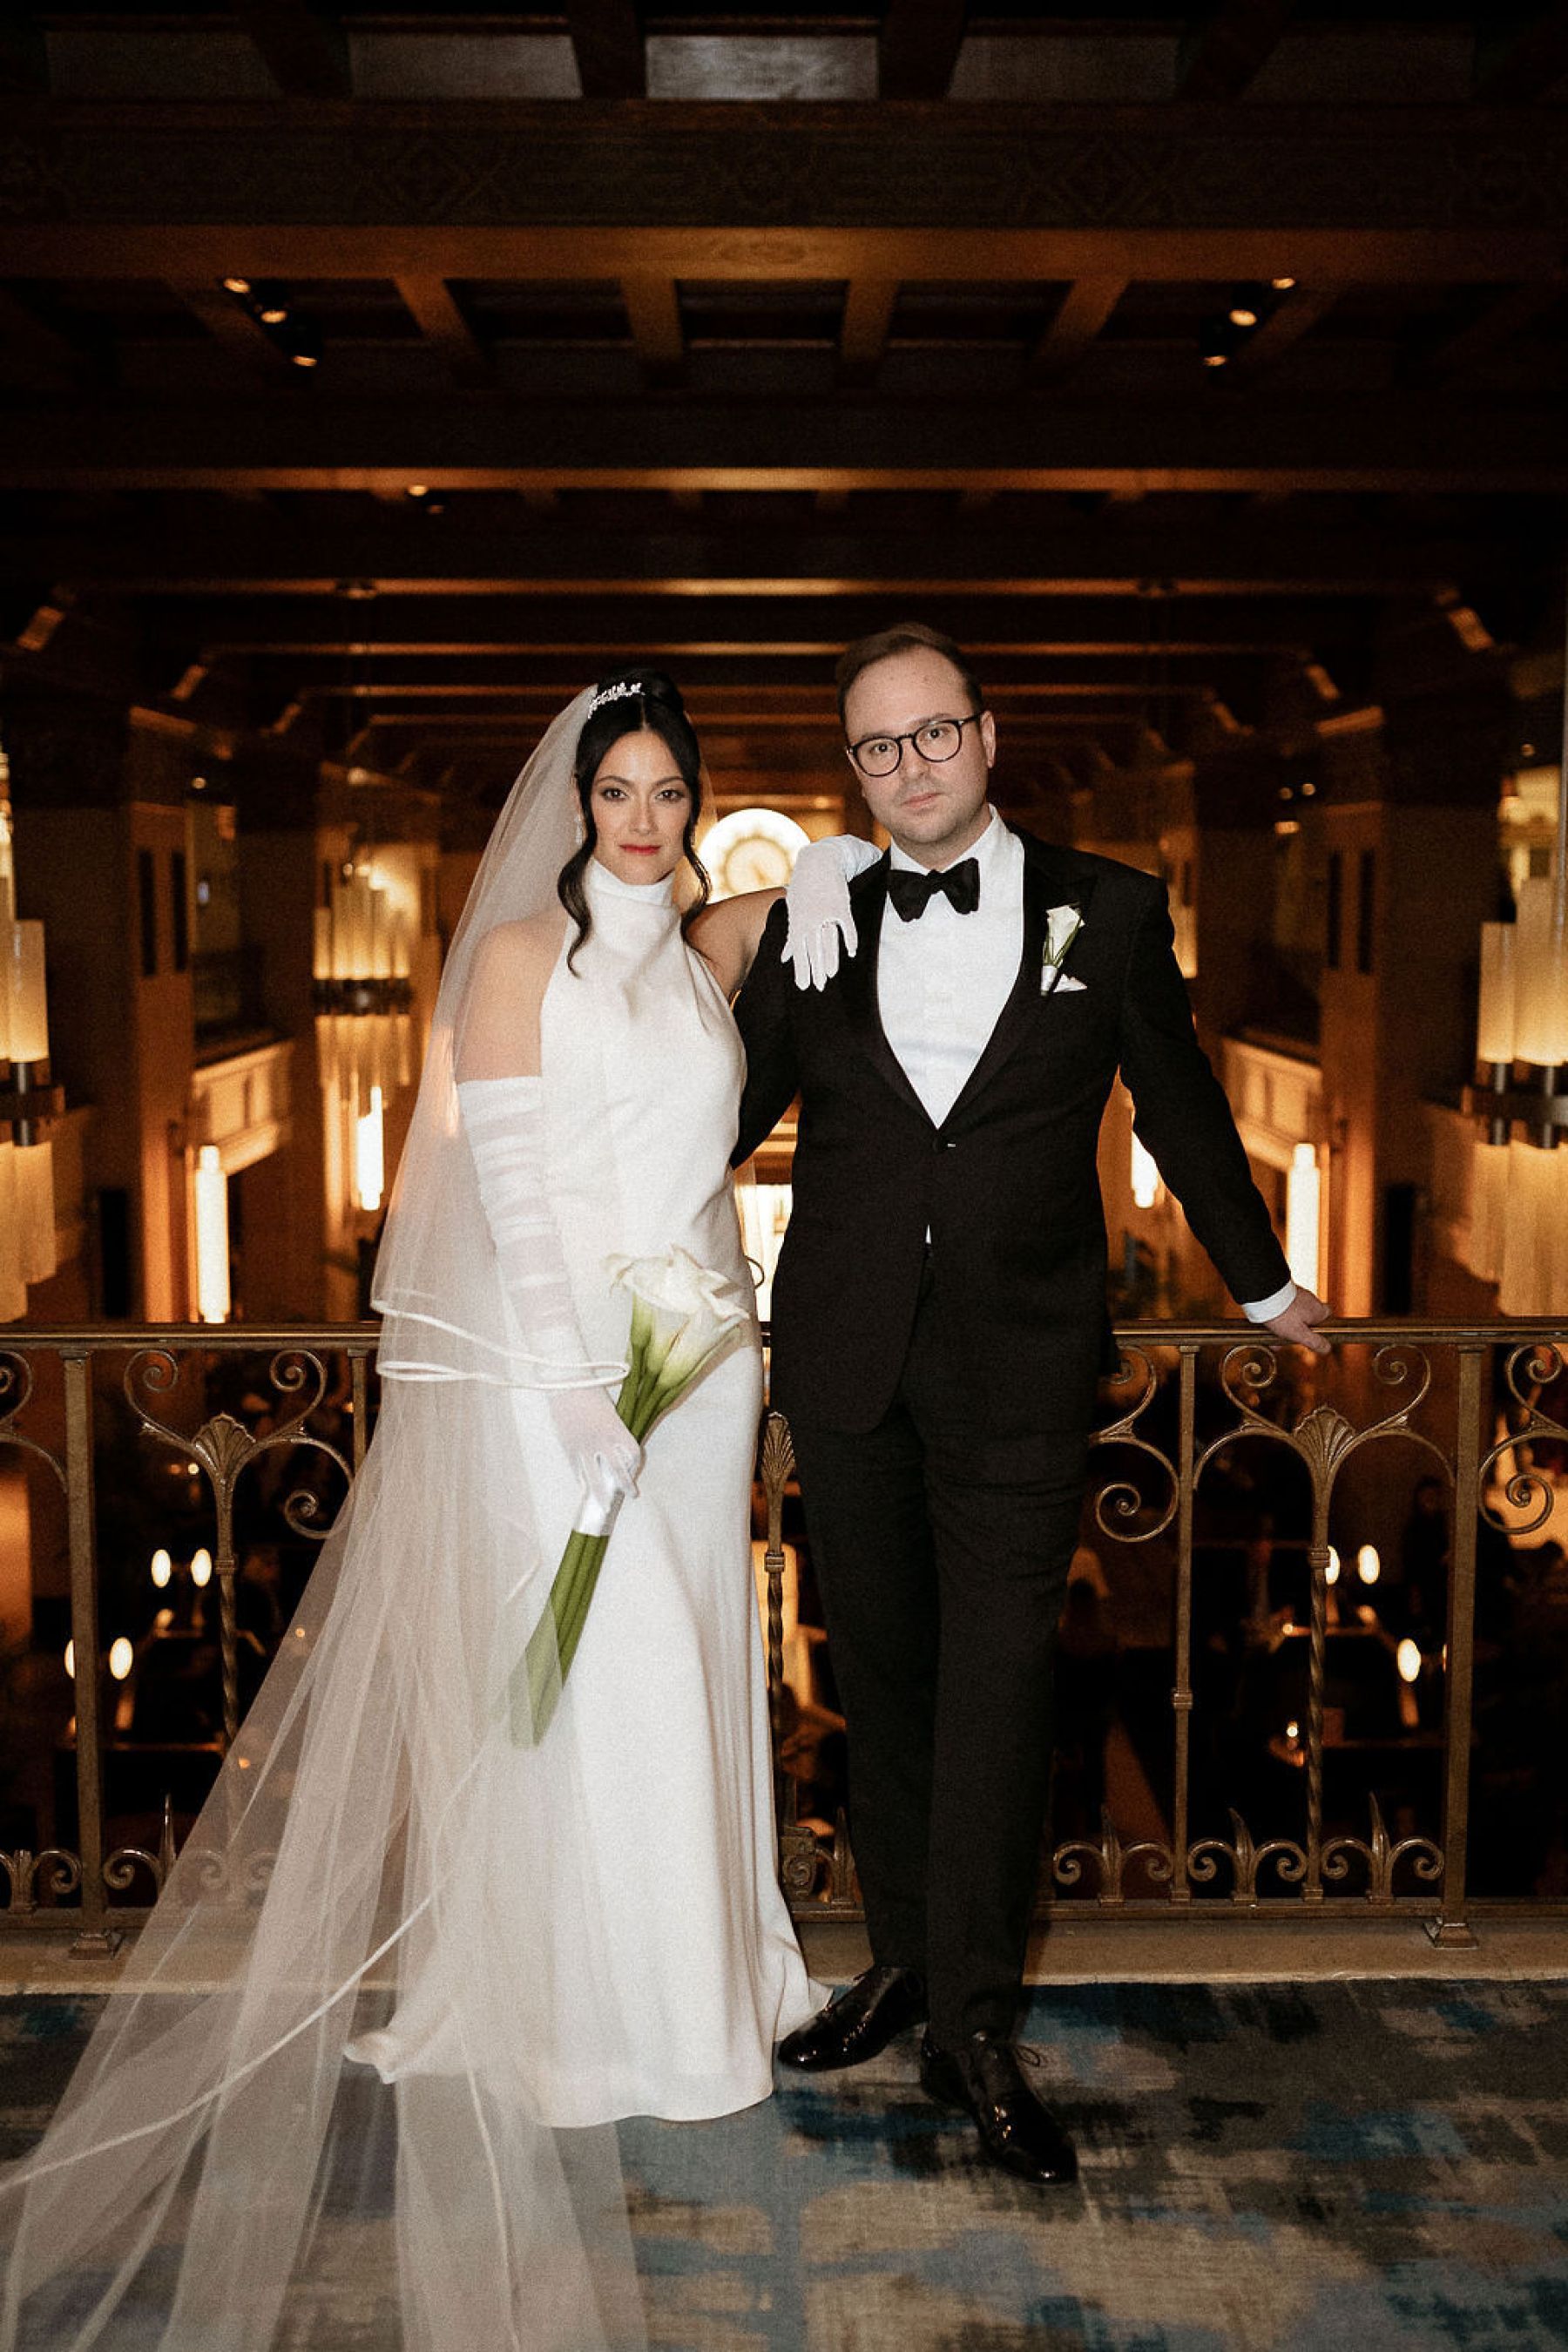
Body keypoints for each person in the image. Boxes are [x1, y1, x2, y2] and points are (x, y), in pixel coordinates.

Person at [0, 672, 835, 2351]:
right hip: (569, 1376)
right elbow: (514, 1198)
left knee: (695, 1657)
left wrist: (816, 873)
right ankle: (598, 2012)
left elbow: (794, 916)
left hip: (705, 1365)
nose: (648, 820)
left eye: (674, 791)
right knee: (606, 1675)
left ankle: (707, 1986)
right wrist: (577, 1388)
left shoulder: (707, 953)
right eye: (622, 792)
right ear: (578, 803)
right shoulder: (524, 963)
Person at [732, 620, 1333, 2188]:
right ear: (852, 772)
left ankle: (976, 2023)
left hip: (1018, 1368)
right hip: (848, 1362)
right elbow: (716, 1109)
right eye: (877, 747)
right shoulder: (823, 914)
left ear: (988, 737)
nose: (911, 766)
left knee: (998, 1693)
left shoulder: (1110, 910)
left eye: (934, 734)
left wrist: (1266, 1283)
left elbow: (1186, 1105)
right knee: (884, 1679)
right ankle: (907, 1962)